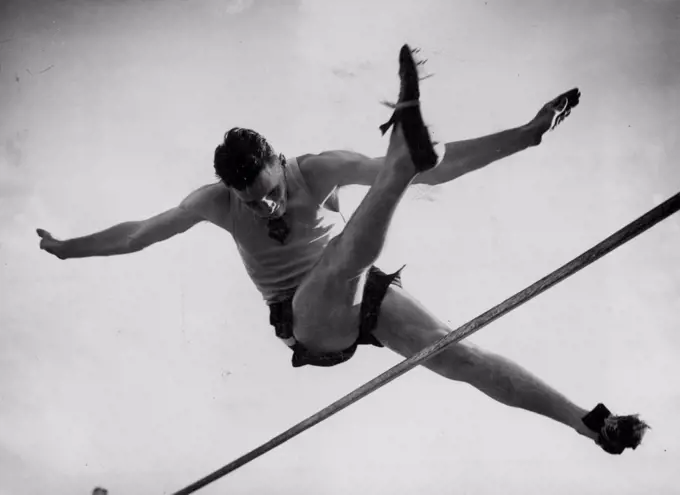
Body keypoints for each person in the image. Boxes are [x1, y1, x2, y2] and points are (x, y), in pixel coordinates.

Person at [37, 44, 648, 455]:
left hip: (364, 291)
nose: (265, 208)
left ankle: (590, 424)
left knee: (461, 357)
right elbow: (139, 232)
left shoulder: (316, 168)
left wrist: (526, 135)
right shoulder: (215, 201)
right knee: (342, 261)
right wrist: (70, 249)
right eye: (251, 203)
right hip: (305, 321)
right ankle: (399, 165)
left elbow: (441, 171)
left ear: (279, 162)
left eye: (270, 193)